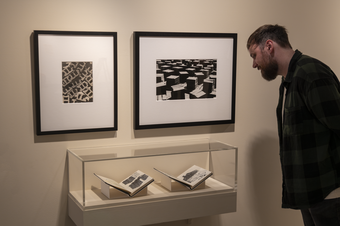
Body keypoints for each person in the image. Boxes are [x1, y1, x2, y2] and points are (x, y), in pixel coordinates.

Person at [247, 24, 340, 226]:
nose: (254, 64)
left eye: (254, 55)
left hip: (329, 194)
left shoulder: (311, 73)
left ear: (269, 46)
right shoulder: (290, 79)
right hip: (311, 194)